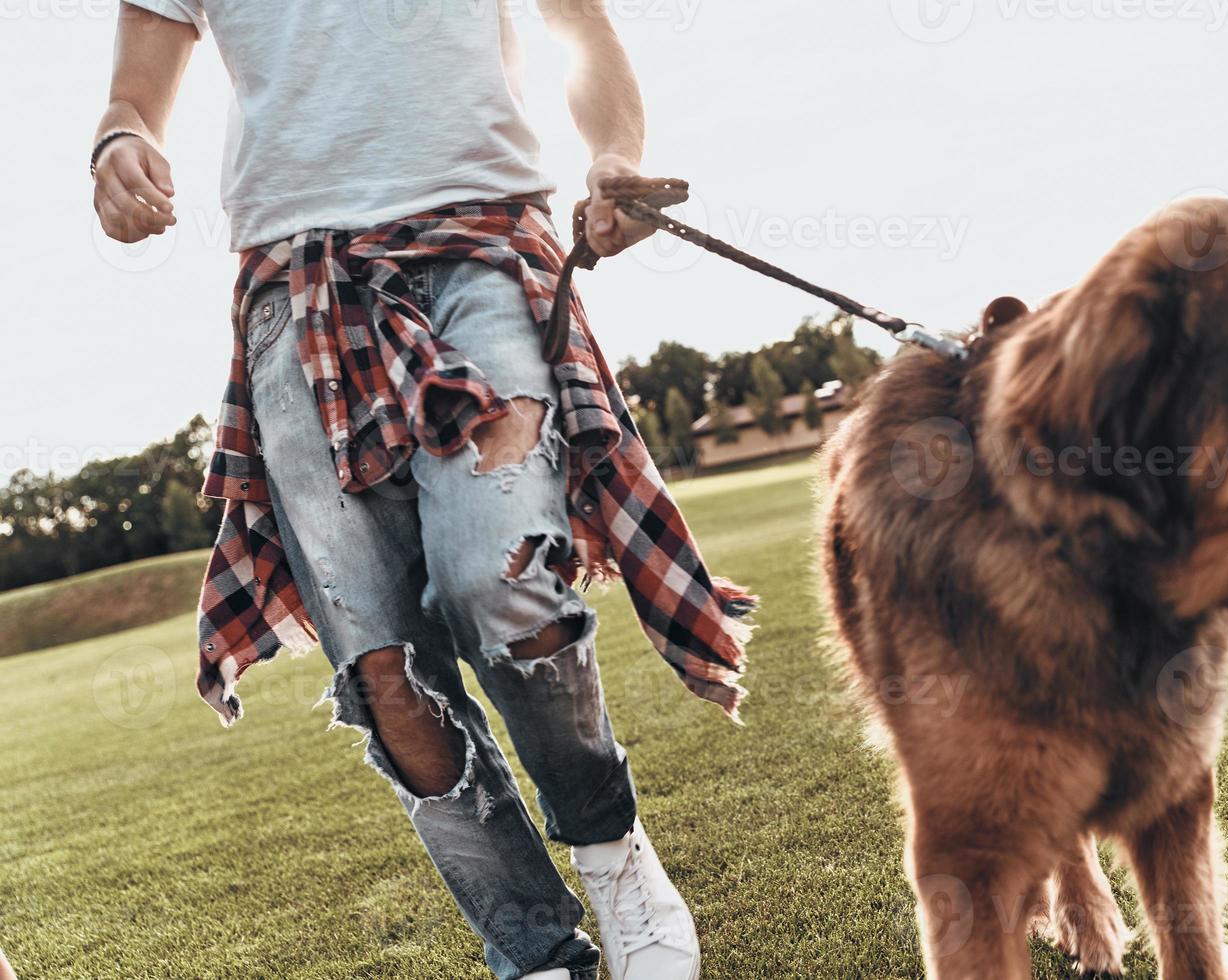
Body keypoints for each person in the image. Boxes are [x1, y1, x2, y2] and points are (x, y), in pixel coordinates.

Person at [91, 4, 756, 978]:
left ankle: (612, 854)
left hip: (478, 244)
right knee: (383, 671)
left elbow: (584, 28)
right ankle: (535, 949)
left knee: (504, 577)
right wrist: (117, 143)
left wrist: (612, 154)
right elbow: (131, 99)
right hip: (294, 286)